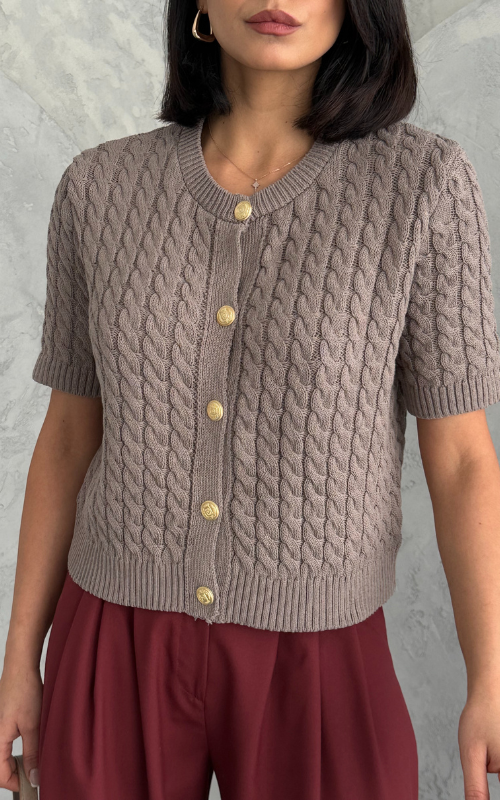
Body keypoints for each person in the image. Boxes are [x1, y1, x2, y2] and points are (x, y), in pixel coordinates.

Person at [2, 0, 500, 798]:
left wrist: (492, 676)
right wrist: (19, 659)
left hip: (322, 650)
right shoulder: (99, 187)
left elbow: (464, 459)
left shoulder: (423, 187)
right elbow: (68, 437)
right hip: (113, 636)